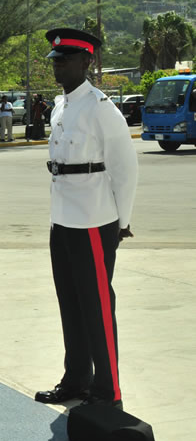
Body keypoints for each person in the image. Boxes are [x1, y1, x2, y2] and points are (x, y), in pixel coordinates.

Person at [34, 28, 138, 410]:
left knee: (97, 307)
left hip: (94, 220)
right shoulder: (60, 107)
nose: (57, 66)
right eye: (55, 60)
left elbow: (125, 169)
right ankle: (77, 379)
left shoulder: (101, 108)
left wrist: (122, 222)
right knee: (70, 303)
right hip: (62, 219)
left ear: (86, 62)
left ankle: (108, 391)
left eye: (65, 60)